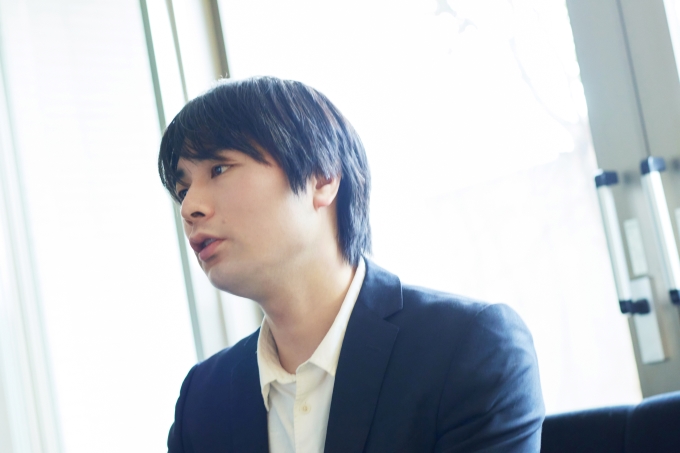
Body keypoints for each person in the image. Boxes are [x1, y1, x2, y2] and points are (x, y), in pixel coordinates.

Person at [159, 76, 544, 453]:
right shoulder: (202, 400)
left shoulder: (468, 349)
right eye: (182, 189)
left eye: (219, 169)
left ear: (322, 178)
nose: (189, 207)